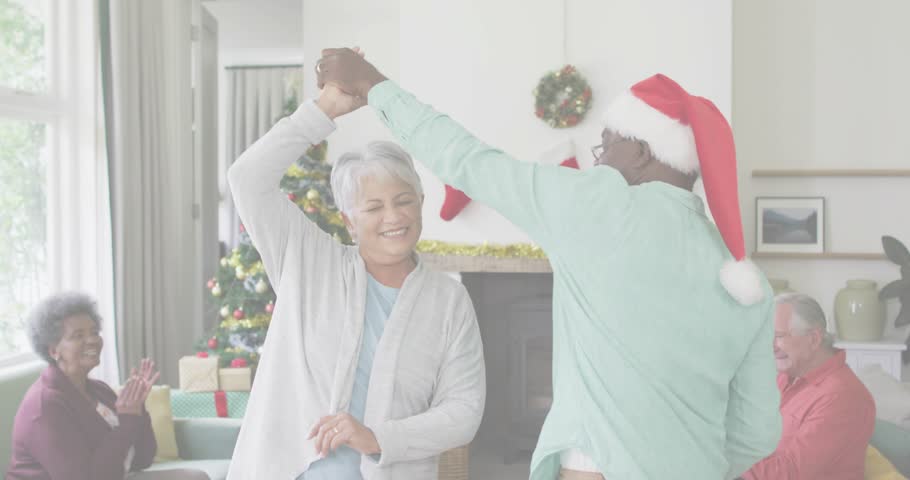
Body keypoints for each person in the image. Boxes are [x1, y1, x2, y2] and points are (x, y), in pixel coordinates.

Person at [315, 48, 782, 479]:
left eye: (606, 145)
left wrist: (374, 83)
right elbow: (758, 433)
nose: (600, 160)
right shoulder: (745, 280)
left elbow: (466, 160)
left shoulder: (601, 206)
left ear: (640, 152)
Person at [224, 82, 486, 480]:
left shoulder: (448, 300)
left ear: (421, 204)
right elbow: (247, 178)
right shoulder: (309, 263)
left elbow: (463, 411)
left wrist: (377, 437)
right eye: (374, 207)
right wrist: (324, 108)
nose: (393, 217)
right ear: (349, 220)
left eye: (403, 201)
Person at [6, 292, 208, 480]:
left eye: (94, 332)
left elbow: (142, 459)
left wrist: (137, 409)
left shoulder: (99, 390)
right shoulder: (46, 406)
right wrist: (127, 421)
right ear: (53, 351)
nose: (92, 340)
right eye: (78, 336)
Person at [741, 293, 875, 479]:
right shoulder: (784, 376)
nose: (769, 346)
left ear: (813, 338)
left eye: (778, 336)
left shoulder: (842, 397)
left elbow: (789, 474)